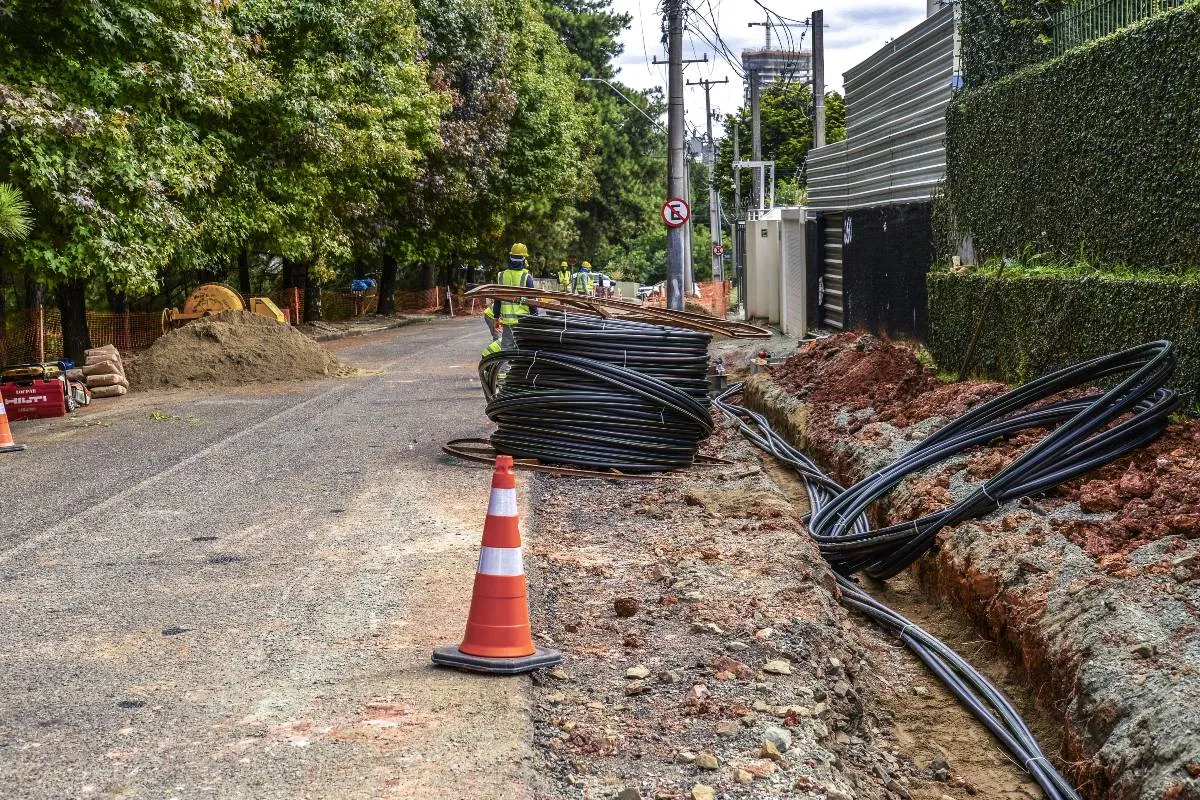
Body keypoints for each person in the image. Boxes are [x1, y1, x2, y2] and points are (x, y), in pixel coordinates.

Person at [493, 243, 538, 349]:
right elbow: (533, 303)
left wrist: (496, 317)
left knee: (506, 350)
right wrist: (535, 320)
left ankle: (505, 366)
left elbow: (497, 300)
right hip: (523, 322)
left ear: (510, 258)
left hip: (508, 322)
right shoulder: (527, 277)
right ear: (524, 259)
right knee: (523, 349)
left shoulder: (501, 276)